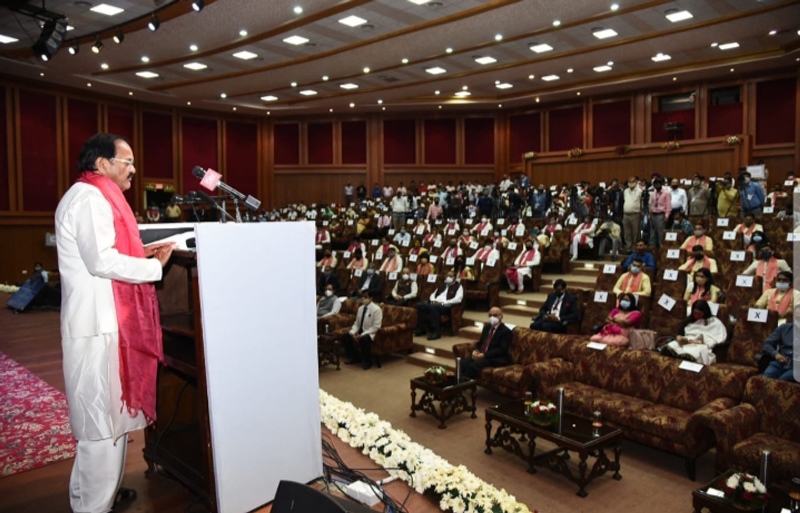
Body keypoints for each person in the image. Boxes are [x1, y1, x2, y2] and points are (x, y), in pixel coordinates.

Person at [55, 133, 176, 513]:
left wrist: (140, 252)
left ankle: (85, 500)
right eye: (127, 162)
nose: (134, 170)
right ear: (101, 164)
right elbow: (101, 260)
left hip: (104, 323)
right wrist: (152, 266)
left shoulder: (92, 194)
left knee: (105, 427)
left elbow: (102, 252)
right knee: (102, 430)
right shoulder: (90, 198)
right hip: (98, 327)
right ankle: (93, 506)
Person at [660, 300, 727, 365]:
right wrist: (679, 338)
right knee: (673, 346)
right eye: (695, 313)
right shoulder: (689, 320)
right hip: (686, 341)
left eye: (699, 314)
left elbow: (719, 337)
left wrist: (700, 341)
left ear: (705, 312)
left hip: (700, 344)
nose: (696, 315)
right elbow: (680, 334)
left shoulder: (714, 322)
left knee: (695, 351)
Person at [459, 307, 513, 379]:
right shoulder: (487, 327)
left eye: (495, 315)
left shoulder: (506, 331)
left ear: (501, 317)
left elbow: (501, 350)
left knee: (473, 366)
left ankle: (464, 386)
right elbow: (481, 342)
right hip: (482, 354)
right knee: (463, 363)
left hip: (495, 358)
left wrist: (484, 355)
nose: (492, 317)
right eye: (490, 315)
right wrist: (476, 350)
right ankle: (458, 383)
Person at [415, 270, 463, 340]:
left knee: (434, 308)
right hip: (435, 303)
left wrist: (443, 303)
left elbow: (458, 299)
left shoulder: (458, 286)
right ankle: (422, 328)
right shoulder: (442, 285)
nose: (448, 277)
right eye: (447, 276)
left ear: (455, 278)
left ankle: (436, 332)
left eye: (450, 276)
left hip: (447, 306)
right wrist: (433, 300)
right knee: (419, 305)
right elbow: (433, 294)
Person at [342, 291, 383, 370]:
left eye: (366, 297)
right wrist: (352, 332)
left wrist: (362, 335)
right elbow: (357, 323)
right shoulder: (360, 308)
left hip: (370, 333)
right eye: (363, 297)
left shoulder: (377, 310)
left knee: (364, 339)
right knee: (346, 337)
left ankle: (367, 362)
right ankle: (354, 357)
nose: (364, 299)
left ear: (371, 298)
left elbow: (376, 327)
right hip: (360, 331)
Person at [759, 315, 796, 381]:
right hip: (780, 362)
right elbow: (767, 344)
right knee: (764, 380)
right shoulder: (784, 328)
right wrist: (776, 354)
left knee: (781, 382)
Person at [648, 178, 670, 249]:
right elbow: (651, 204)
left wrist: (667, 215)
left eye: (658, 184)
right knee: (652, 233)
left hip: (660, 214)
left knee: (660, 233)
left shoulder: (666, 193)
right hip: (652, 214)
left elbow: (668, 205)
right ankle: (652, 249)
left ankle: (662, 249)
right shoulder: (653, 193)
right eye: (655, 184)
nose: (656, 185)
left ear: (661, 184)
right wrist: (649, 214)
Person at [622, 177, 643, 252]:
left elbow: (642, 202)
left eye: (632, 181)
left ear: (636, 182)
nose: (631, 183)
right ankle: (628, 247)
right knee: (627, 233)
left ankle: (634, 248)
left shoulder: (640, 191)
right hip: (626, 214)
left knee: (635, 232)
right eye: (629, 181)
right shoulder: (625, 191)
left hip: (635, 214)